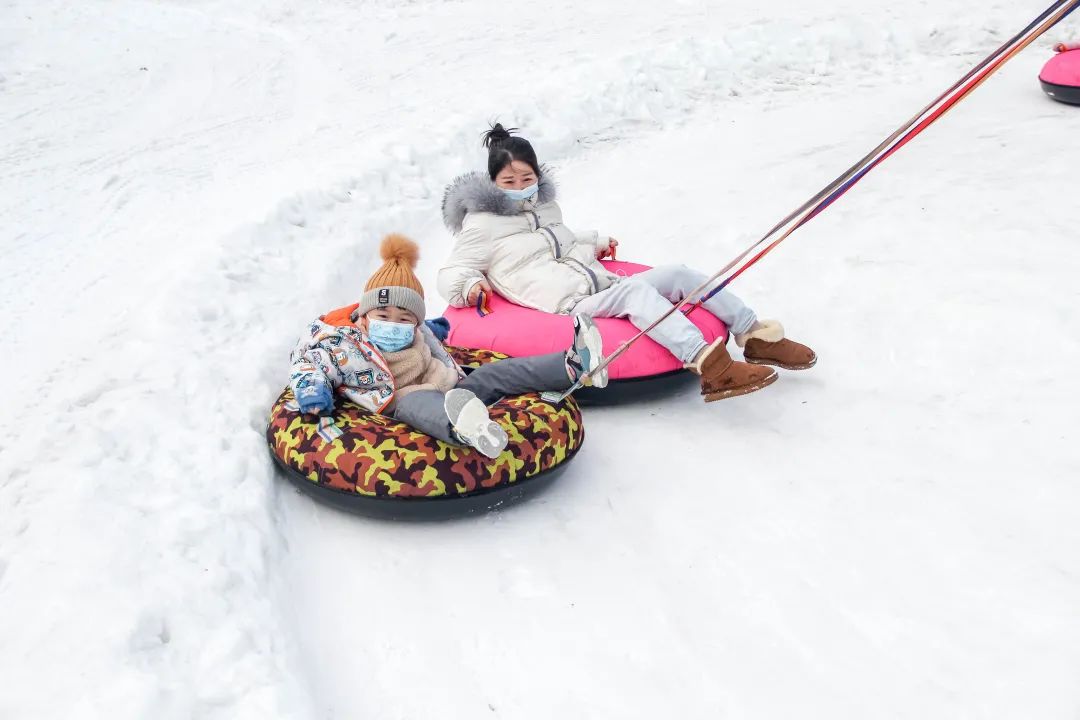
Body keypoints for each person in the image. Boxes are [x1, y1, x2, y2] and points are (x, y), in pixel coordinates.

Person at [438, 123, 817, 402]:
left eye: (527, 177)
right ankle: (712, 368)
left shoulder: (546, 208)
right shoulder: (482, 225)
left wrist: (596, 242)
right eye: (509, 180)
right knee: (637, 292)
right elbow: (452, 271)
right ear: (493, 183)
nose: (521, 186)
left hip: (597, 282)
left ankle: (753, 336)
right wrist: (467, 285)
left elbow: (560, 240)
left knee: (679, 273)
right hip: (568, 304)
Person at [288, 234, 606, 458]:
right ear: (365, 315)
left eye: (403, 319)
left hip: (448, 384)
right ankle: (469, 429)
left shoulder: (418, 332)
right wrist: (313, 390)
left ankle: (574, 363)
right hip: (400, 399)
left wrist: (434, 333)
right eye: (382, 315)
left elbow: (429, 335)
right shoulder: (344, 345)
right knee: (422, 405)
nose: (392, 324)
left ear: (415, 322)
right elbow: (309, 362)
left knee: (495, 374)